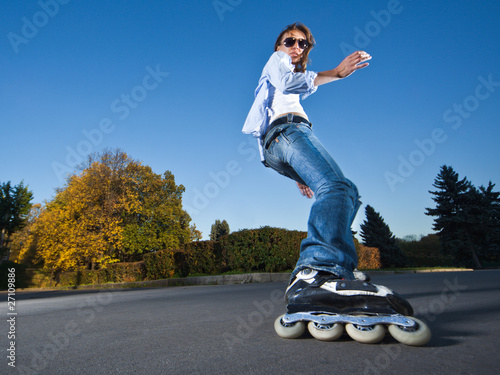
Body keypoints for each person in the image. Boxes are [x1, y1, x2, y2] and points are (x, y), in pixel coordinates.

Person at [242, 23, 429, 344]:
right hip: (288, 131)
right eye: (291, 41)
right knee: (338, 188)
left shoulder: (289, 71)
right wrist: (338, 72)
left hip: (276, 147)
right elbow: (290, 81)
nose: (297, 47)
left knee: (349, 192)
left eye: (303, 44)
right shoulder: (278, 60)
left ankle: (336, 270)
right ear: (279, 43)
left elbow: (272, 143)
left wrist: (299, 176)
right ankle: (317, 271)